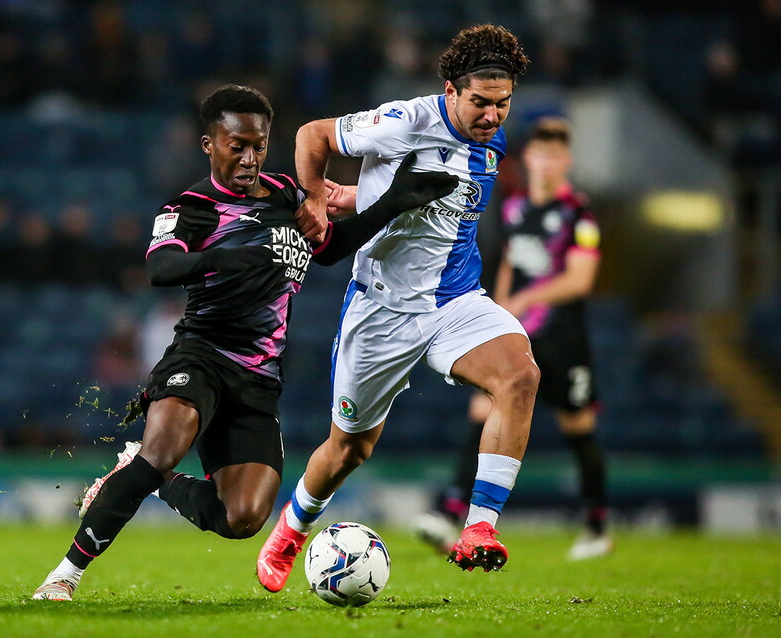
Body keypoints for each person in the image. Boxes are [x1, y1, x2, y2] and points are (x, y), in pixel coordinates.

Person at [31, 84, 457, 601]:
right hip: (200, 355)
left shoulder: (286, 196)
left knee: (244, 517)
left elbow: (329, 249)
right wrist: (232, 258)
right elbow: (160, 267)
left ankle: (146, 476)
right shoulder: (193, 208)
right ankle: (65, 574)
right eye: (238, 145)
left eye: (259, 145)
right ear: (210, 144)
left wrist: (396, 201)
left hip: (257, 377)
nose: (250, 157)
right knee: (163, 449)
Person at [257, 24, 537, 593]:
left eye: (502, 104)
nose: (491, 116)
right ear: (450, 89)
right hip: (381, 309)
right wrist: (317, 200)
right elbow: (313, 135)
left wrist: (360, 197)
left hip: (456, 300)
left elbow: (444, 202)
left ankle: (479, 528)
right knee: (349, 449)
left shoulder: (495, 141)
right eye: (479, 103)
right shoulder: (404, 120)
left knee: (520, 377)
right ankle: (290, 529)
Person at [416, 117, 611, 560]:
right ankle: (449, 513)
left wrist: (524, 300)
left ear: (566, 161)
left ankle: (596, 526)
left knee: (577, 426)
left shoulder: (579, 213)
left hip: (563, 337)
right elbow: (505, 264)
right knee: (482, 408)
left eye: (555, 155)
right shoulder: (512, 209)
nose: (546, 163)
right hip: (516, 331)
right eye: (539, 154)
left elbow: (580, 279)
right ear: (528, 159)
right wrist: (500, 312)